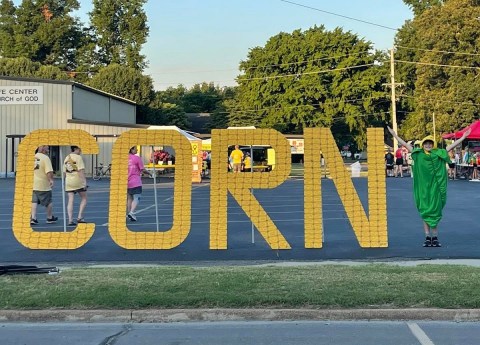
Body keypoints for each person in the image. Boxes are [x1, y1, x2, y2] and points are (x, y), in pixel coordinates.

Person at [387, 126, 471, 248]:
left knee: (435, 211)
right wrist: (394, 135)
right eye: (425, 143)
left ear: (433, 145)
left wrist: (463, 137)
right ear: (422, 145)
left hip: (435, 187)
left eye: (430, 143)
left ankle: (435, 237)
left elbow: (451, 147)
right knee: (425, 211)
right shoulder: (418, 154)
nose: (427, 145)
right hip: (423, 188)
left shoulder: (439, 153)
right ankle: (427, 237)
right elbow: (405, 144)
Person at [31, 145, 58, 225]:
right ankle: (49, 217)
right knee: (49, 201)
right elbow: (49, 171)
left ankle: (33, 218)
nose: (48, 149)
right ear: (42, 148)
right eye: (47, 147)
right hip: (43, 184)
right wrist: (51, 180)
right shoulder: (45, 158)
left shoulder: (33, 157)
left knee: (34, 201)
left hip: (33, 183)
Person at [64, 146, 88, 225]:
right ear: (75, 149)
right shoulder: (78, 158)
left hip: (69, 181)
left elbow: (64, 172)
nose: (80, 151)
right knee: (84, 198)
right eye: (79, 149)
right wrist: (84, 182)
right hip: (77, 180)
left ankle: (70, 220)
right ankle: (80, 217)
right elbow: (80, 171)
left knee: (70, 200)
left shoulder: (67, 158)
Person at [127, 146, 152, 221]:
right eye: (135, 148)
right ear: (131, 149)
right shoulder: (136, 158)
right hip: (135, 181)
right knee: (137, 197)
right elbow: (142, 169)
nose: (137, 150)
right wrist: (150, 173)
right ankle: (131, 212)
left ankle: (129, 213)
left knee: (129, 198)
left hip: (127, 181)